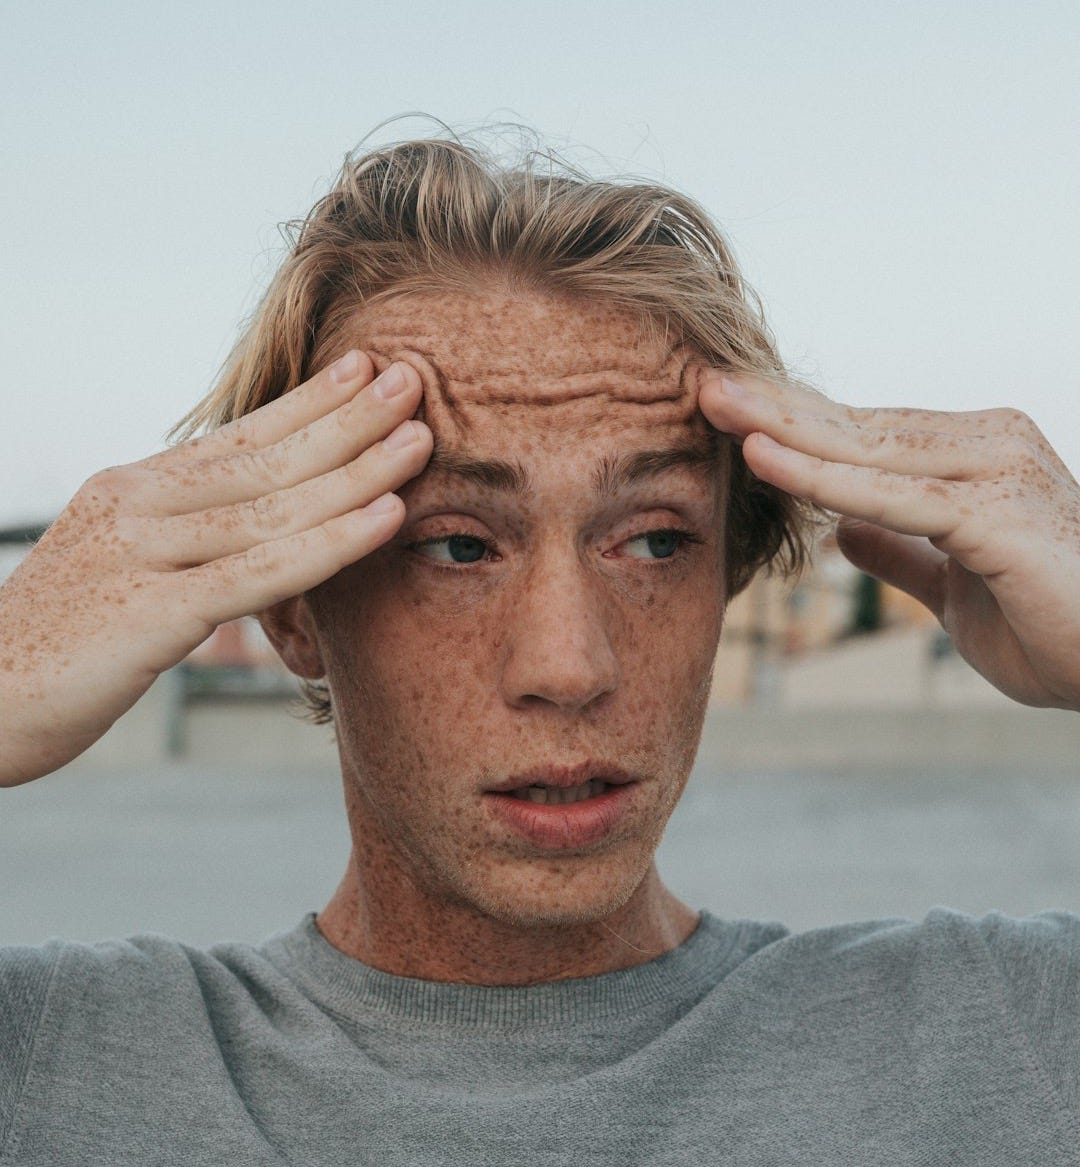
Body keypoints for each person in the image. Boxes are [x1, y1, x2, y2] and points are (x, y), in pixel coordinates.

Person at [1, 129, 1078, 1165]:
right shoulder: (53, 1066)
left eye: (654, 540)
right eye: (459, 546)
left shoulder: (1010, 1036)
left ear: (727, 578)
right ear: (291, 608)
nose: (569, 668)